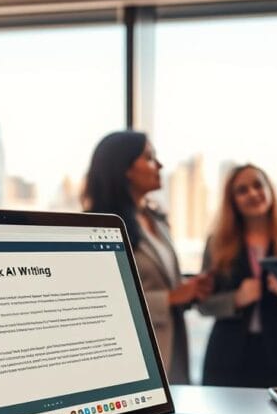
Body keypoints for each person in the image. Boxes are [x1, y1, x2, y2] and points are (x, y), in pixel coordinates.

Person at [80, 131, 211, 385]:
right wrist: (171, 298)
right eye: (150, 158)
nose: (159, 165)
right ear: (125, 168)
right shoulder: (97, 227)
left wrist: (190, 291)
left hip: (173, 345)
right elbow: (102, 302)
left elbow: (163, 282)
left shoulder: (157, 220)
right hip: (133, 356)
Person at [198, 164, 277, 387]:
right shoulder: (217, 243)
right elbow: (203, 304)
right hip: (226, 356)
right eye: (242, 190)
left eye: (258, 185)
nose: (252, 193)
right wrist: (236, 299)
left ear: (270, 190)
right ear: (232, 201)